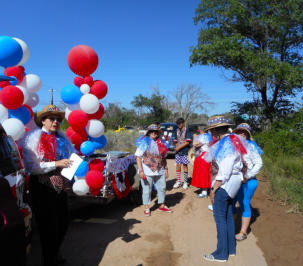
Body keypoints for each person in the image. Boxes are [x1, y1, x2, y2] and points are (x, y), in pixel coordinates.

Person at [22, 105, 75, 266]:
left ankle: (54, 250)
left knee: (63, 222)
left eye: (58, 119)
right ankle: (50, 259)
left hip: (59, 184)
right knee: (48, 226)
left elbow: (71, 157)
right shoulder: (34, 138)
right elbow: (32, 166)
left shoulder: (63, 139)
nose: (56, 121)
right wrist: (56, 163)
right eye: (51, 118)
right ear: (43, 121)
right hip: (41, 185)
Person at [202, 115, 248, 263]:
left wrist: (214, 188)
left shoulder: (227, 143)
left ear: (216, 130)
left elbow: (226, 168)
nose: (211, 134)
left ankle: (221, 253)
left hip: (225, 183)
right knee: (228, 216)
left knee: (220, 218)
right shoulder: (233, 140)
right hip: (233, 182)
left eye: (211, 131)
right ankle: (230, 249)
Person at [232, 123, 263, 241]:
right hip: (235, 181)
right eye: (239, 131)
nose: (242, 134)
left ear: (248, 135)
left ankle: (243, 231)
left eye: (245, 132)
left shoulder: (251, 147)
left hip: (248, 181)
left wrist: (248, 176)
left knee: (244, 203)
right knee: (231, 202)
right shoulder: (231, 146)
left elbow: (259, 163)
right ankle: (232, 227)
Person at [135, 124, 172, 216]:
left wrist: (166, 168)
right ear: (149, 133)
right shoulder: (144, 142)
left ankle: (162, 205)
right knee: (147, 189)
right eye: (152, 132)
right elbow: (138, 157)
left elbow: (164, 157)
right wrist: (141, 170)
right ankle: (147, 208)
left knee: (162, 187)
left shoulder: (161, 143)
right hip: (147, 171)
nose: (154, 133)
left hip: (160, 170)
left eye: (156, 132)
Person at [171, 118, 192, 189]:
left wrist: (179, 148)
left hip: (185, 151)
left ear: (183, 123)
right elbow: (175, 141)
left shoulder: (187, 130)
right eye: (178, 124)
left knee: (185, 166)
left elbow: (188, 141)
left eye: (180, 123)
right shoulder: (176, 130)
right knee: (178, 165)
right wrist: (177, 148)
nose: (179, 125)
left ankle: (185, 182)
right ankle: (179, 181)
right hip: (178, 152)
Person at [191, 131, 212, 198]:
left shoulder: (203, 137)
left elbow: (195, 144)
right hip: (207, 156)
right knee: (205, 174)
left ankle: (204, 192)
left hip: (203, 157)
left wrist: (194, 137)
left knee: (203, 174)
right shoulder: (209, 136)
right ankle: (205, 190)